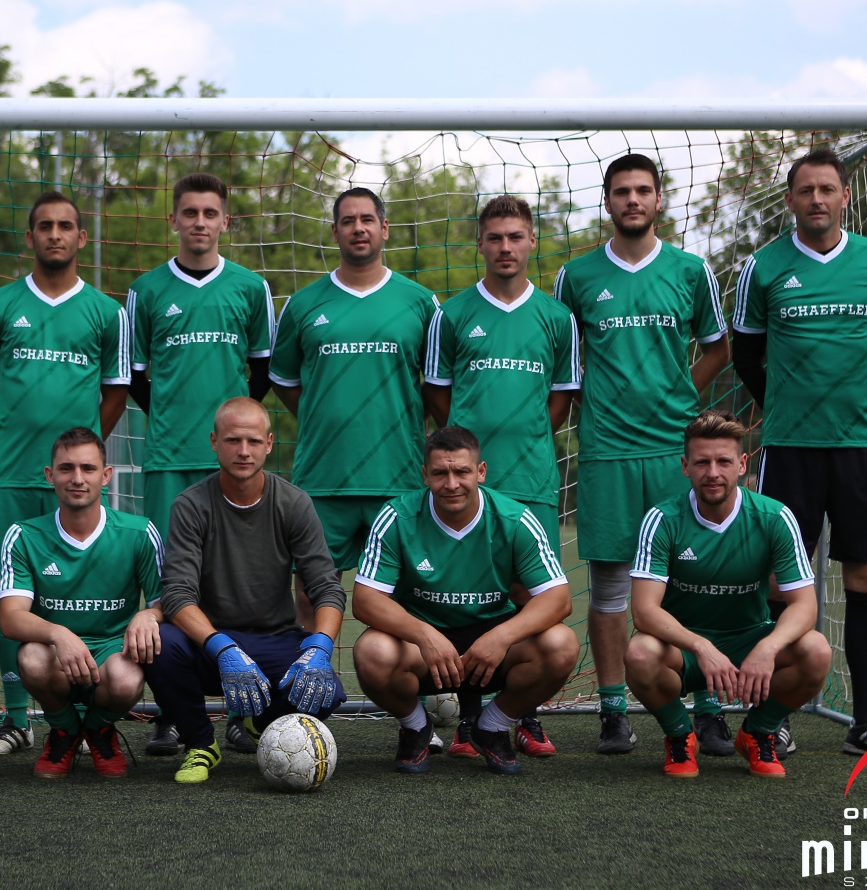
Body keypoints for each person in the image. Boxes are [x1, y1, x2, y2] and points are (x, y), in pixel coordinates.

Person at [731, 147, 867, 761]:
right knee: (782, 581)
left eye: (827, 189)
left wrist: (850, 397)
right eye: (806, 190)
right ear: (790, 200)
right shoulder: (761, 267)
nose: (817, 199)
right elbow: (746, 355)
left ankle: (864, 723)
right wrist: (786, 403)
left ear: (845, 196)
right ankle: (771, 717)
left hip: (861, 446)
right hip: (789, 450)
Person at [552, 153, 731, 756]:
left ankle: (707, 709)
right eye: (622, 191)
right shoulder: (576, 277)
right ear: (607, 201)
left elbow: (718, 346)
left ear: (659, 199)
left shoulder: (690, 270)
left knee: (690, 581)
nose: (632, 199)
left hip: (673, 451)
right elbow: (564, 361)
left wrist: (682, 399)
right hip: (606, 452)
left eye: (643, 190)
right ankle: (612, 711)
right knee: (609, 587)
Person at [0, 191, 132, 757]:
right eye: (44, 226)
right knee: (14, 598)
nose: (54, 234)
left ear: (81, 238)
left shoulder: (108, 313)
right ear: (30, 236)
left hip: (75, 482)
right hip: (13, 474)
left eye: (65, 226)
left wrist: (82, 450)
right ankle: (17, 720)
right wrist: (5, 440)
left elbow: (116, 391)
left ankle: (79, 719)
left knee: (78, 594)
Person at [124, 173, 275, 756]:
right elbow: (136, 377)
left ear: (225, 221)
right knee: (170, 584)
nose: (200, 222)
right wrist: (173, 420)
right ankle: (171, 712)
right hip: (169, 459)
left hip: (233, 465)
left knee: (234, 581)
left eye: (211, 213)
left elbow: (261, 372)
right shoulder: (145, 290)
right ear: (174, 220)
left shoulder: (251, 287)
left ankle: (241, 709)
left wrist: (231, 435)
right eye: (189, 212)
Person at [423, 194, 577, 758]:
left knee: (529, 597)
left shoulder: (557, 318)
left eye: (515, 236)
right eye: (495, 238)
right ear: (480, 244)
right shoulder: (452, 314)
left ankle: (522, 714)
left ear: (532, 241)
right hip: (467, 487)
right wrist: (467, 453)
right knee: (468, 597)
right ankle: (468, 720)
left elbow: (561, 397)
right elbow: (437, 394)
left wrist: (528, 438)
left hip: (531, 480)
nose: (505, 247)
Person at [353, 427, 579, 775]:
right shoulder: (397, 517)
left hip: (493, 648)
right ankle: (416, 728)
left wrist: (500, 637)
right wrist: (424, 635)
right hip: (422, 650)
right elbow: (365, 600)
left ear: (481, 471)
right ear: (425, 474)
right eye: (440, 473)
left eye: (462, 471)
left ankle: (493, 727)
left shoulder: (515, 519)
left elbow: (558, 599)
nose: (451, 484)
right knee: (372, 652)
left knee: (561, 644)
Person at [145, 398, 347, 784]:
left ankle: (260, 722)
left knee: (328, 690)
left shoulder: (294, 503)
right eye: (233, 440)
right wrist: (222, 648)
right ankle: (201, 743)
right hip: (210, 643)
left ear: (269, 444)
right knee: (161, 644)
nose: (243, 451)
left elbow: (326, 587)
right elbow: (177, 594)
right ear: (214, 442)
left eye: (253, 441)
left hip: (273, 638)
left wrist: (321, 646)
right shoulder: (190, 505)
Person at [626, 410, 832, 778]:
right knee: (640, 653)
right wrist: (702, 647)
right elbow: (643, 611)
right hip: (683, 648)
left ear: (742, 464)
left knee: (816, 650)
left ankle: (758, 732)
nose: (713, 472)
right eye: (701, 462)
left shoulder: (774, 517)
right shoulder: (662, 519)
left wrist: (767, 648)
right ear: (685, 466)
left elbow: (804, 605)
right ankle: (680, 736)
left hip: (748, 639)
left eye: (723, 461)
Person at [269, 187, 438, 626]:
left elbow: (438, 385)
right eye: (348, 221)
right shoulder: (303, 304)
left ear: (385, 228)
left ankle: (400, 673)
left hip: (398, 475)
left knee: (408, 594)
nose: (358, 228)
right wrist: (325, 414)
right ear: (334, 232)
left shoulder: (421, 302)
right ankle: (311, 669)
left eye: (367, 220)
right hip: (324, 476)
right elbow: (284, 381)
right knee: (311, 591)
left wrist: (400, 420)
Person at [0, 428, 163, 779]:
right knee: (31, 657)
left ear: (106, 475)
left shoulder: (139, 533)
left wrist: (148, 613)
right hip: (54, 656)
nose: (77, 478)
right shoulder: (24, 536)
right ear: (50, 475)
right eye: (66, 468)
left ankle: (99, 728)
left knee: (127, 677)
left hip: (112, 653)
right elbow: (11, 619)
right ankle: (64, 730)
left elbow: (170, 603)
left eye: (88, 468)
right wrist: (59, 634)